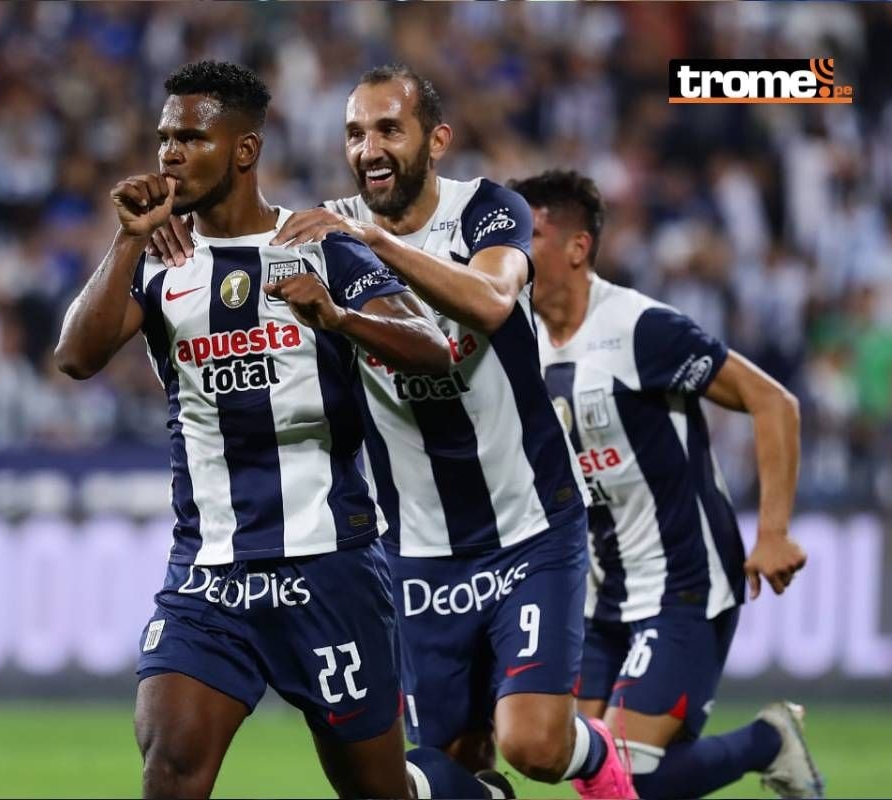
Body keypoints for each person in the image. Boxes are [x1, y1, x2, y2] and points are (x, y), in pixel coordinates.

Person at [152, 64, 634, 800]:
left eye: (388, 129)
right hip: (415, 549)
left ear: (435, 140)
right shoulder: (321, 232)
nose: (369, 147)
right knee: (450, 772)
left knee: (532, 742)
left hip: (530, 526)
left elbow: (494, 301)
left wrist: (373, 242)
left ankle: (596, 758)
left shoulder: (487, 212)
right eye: (354, 133)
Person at [55, 61, 453, 800]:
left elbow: (431, 347)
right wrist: (125, 242)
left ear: (243, 151)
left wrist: (338, 318)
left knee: (377, 792)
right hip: (211, 574)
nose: (170, 153)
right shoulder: (160, 260)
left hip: (328, 567)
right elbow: (75, 357)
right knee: (170, 767)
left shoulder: (320, 246)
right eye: (164, 137)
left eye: (191, 138)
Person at [513, 168, 824, 799]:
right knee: (577, 767)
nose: (515, 249)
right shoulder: (521, 347)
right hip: (598, 598)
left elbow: (774, 403)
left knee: (631, 779)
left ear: (577, 248)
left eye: (532, 234)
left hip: (683, 584)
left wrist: (773, 533)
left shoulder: (637, 327)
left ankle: (770, 738)